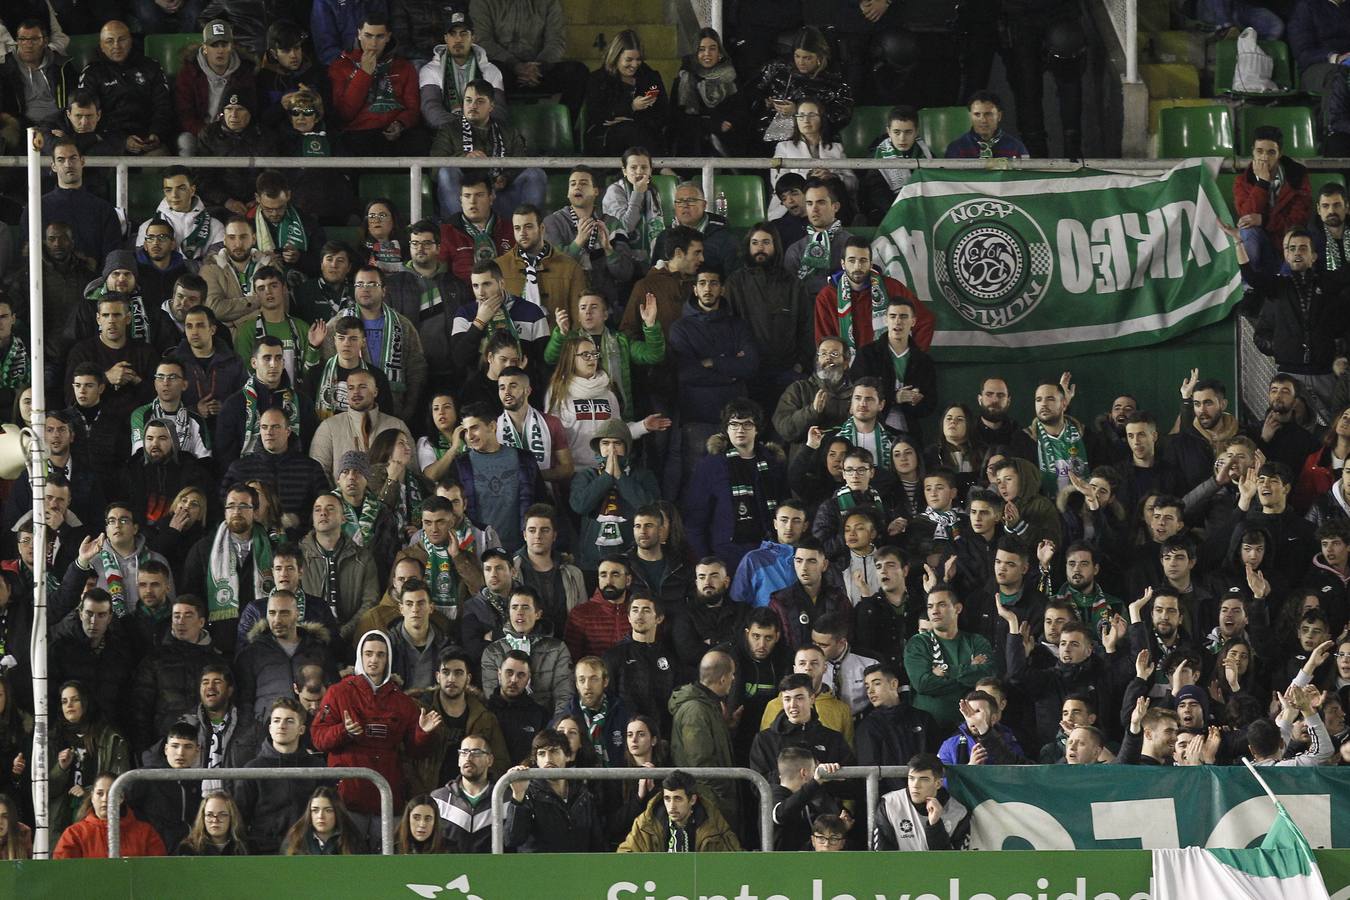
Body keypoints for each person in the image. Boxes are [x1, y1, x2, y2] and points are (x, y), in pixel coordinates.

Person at [311, 630, 442, 837]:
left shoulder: (402, 701)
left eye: (380, 654)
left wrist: (423, 733)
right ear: (360, 657)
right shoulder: (338, 692)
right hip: (347, 798)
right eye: (368, 653)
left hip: (388, 797)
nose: (374, 660)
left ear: (388, 659)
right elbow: (318, 738)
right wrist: (343, 731)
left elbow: (416, 751)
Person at [684, 399, 787, 574]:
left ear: (757, 429)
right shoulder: (711, 465)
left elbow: (784, 506)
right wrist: (707, 561)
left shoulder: (772, 462)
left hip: (769, 550)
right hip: (727, 555)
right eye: (734, 424)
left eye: (747, 424)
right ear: (726, 429)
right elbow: (695, 521)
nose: (740, 429)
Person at [322, 264, 429, 423]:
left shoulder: (402, 325)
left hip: (393, 410)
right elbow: (327, 363)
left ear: (384, 290)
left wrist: (409, 409)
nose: (365, 289)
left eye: (372, 284)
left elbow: (416, 369)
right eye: (360, 284)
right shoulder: (338, 324)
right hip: (348, 412)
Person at [432, 81, 544, 221]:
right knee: (446, 171)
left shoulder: (508, 130)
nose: (473, 106)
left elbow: (520, 162)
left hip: (498, 196)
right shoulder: (449, 129)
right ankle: (458, 229)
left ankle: (527, 230)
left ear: (491, 106)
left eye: (480, 101)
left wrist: (506, 178)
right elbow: (435, 169)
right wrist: (463, 159)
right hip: (466, 197)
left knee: (535, 174)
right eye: (468, 101)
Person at [468, 0, 588, 119]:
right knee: (481, 72)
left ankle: (562, 128)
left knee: (578, 72)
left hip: (538, 71)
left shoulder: (549, 2)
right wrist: (515, 65)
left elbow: (556, 41)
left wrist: (539, 67)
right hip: (504, 69)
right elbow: (483, 41)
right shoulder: (482, 2)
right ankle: (491, 130)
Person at [327, 13, 424, 156]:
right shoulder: (340, 66)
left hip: (395, 133)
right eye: (368, 36)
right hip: (358, 133)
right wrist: (364, 73)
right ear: (359, 34)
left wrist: (400, 123)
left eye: (380, 37)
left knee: (421, 141)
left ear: (388, 37)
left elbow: (413, 108)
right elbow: (344, 114)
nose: (373, 44)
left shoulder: (404, 67)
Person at [452, 402, 542, 555]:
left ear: (492, 426)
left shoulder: (524, 459)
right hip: (476, 550)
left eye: (475, 428)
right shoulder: (461, 465)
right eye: (466, 430)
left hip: (521, 550)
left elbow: (541, 503)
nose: (469, 436)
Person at [235, 589, 336, 722]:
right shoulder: (252, 653)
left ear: (297, 614)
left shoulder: (318, 650)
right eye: (272, 613)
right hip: (266, 733)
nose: (277, 620)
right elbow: (243, 702)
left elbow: (333, 694)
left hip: (311, 732)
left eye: (284, 613)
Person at [904, 587, 995, 731]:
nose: (934, 611)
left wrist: (946, 670)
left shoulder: (977, 642)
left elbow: (986, 674)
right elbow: (922, 684)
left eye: (942, 604)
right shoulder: (918, 643)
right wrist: (968, 670)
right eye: (930, 606)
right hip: (926, 729)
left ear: (957, 608)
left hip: (969, 728)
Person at [847, 295, 937, 441]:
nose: (898, 321)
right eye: (893, 316)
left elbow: (931, 404)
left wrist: (917, 401)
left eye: (903, 317)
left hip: (908, 434)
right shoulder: (867, 354)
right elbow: (856, 393)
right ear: (885, 320)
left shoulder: (923, 361)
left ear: (913, 321)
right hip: (870, 429)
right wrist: (894, 397)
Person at [77, 20, 174, 153]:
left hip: (147, 140)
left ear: (131, 41)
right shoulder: (92, 73)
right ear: (101, 46)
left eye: (122, 39)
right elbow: (87, 116)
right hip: (108, 142)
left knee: (160, 159)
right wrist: (121, 141)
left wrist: (156, 133)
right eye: (109, 41)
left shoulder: (151, 67)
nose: (117, 46)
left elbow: (163, 106)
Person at [18, 141, 121, 265]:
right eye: (61, 160)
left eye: (73, 158)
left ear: (82, 161)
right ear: (53, 166)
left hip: (94, 281)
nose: (68, 164)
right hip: (48, 281)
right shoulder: (35, 208)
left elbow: (112, 258)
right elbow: (27, 255)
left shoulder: (103, 209)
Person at [668, 650, 740, 828]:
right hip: (708, 805)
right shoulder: (696, 710)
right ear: (723, 679)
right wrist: (724, 792)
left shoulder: (708, 706)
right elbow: (700, 763)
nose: (734, 680)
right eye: (732, 675)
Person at [503, 729, 605, 852]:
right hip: (539, 869)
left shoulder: (583, 794)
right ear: (536, 760)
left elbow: (597, 843)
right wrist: (518, 796)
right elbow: (512, 840)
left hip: (578, 868)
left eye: (554, 751)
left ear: (568, 756)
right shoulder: (527, 793)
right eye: (541, 753)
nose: (548, 759)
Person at [748, 26, 853, 144]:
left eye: (807, 58)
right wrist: (766, 103)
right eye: (797, 56)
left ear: (820, 56)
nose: (801, 62)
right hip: (771, 138)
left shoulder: (835, 82)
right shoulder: (778, 69)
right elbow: (751, 94)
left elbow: (841, 117)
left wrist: (799, 111)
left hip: (815, 142)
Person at [1233, 126, 1312, 275]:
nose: (1264, 157)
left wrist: (1265, 220)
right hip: (1260, 247)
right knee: (1248, 231)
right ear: (1253, 152)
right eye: (1259, 151)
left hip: (1287, 245)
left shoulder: (1297, 177)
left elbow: (1298, 220)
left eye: (1271, 152)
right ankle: (1249, 288)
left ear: (1279, 154)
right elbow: (1247, 218)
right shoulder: (1243, 181)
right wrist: (1262, 183)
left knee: (1297, 239)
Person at [176, 20, 257, 156]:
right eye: (214, 45)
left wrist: (229, 131)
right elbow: (184, 113)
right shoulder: (189, 72)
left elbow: (251, 108)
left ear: (231, 46)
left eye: (224, 44)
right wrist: (206, 133)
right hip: (199, 131)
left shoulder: (244, 72)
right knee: (185, 142)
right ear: (205, 48)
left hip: (233, 131)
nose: (220, 50)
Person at [750, 673, 855, 778]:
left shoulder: (833, 739)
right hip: (783, 795)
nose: (792, 705)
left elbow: (853, 783)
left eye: (799, 698)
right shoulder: (764, 740)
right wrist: (796, 771)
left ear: (812, 699)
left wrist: (830, 775)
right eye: (787, 699)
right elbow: (757, 785)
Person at [419, 9, 505, 131]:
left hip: (483, 132)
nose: (458, 39)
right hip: (447, 132)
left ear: (473, 38)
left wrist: (480, 128)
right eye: (453, 33)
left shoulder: (490, 70)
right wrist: (462, 130)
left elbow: (498, 108)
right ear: (445, 38)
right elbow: (431, 107)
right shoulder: (431, 69)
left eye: (464, 33)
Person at [584, 30, 667, 155]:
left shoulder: (650, 77)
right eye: (628, 60)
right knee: (628, 130)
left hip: (645, 133)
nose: (634, 65)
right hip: (606, 139)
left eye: (638, 59)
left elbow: (662, 112)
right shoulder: (598, 80)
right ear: (616, 57)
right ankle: (663, 169)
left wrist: (628, 117)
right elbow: (598, 115)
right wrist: (631, 107)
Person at [617, 769, 741, 852]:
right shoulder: (646, 823)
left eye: (678, 799)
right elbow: (625, 857)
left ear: (692, 800)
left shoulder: (713, 823)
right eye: (667, 799)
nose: (671, 806)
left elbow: (733, 861)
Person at [52, 773, 166, 859]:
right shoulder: (74, 834)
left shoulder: (145, 833)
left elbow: (157, 872)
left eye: (112, 793)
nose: (105, 799)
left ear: (121, 798)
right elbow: (63, 875)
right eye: (100, 793)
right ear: (92, 797)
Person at [875, 753, 970, 850]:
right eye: (911, 778)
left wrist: (935, 825)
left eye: (924, 779)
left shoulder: (958, 812)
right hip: (901, 865)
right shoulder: (890, 804)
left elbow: (956, 862)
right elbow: (882, 858)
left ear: (938, 783)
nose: (915, 785)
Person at [860, 106, 933, 221]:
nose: (902, 138)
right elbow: (877, 195)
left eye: (908, 132)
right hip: (888, 215)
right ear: (888, 131)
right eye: (896, 132)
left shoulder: (927, 155)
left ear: (916, 131)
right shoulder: (876, 158)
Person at [784, 179, 853, 298]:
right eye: (809, 203)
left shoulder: (853, 245)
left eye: (821, 202)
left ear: (835, 207)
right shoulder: (795, 250)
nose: (814, 209)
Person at [431, 733, 497, 852]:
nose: (468, 758)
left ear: (490, 760)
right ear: (458, 760)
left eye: (476, 752)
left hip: (492, 868)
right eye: (464, 752)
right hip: (450, 869)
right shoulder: (438, 799)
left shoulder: (504, 798)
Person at [602, 147, 665, 267]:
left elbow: (657, 227)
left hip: (650, 261)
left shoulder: (652, 191)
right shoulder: (614, 191)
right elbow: (625, 227)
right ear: (624, 171)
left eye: (644, 167)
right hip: (622, 261)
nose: (639, 171)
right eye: (633, 167)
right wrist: (637, 193)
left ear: (650, 170)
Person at [487, 649, 552, 764]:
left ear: (528, 679)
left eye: (521, 675)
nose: (514, 680)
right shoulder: (484, 710)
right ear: (499, 674)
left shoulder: (539, 715)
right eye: (509, 672)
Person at [280, 786, 366, 854]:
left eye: (328, 810)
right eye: (315, 810)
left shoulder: (352, 838)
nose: (320, 816)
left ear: (337, 812)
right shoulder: (295, 837)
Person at [945, 90, 1029, 158]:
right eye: (977, 114)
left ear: (999, 116)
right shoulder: (956, 148)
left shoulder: (1016, 147)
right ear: (970, 116)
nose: (983, 120)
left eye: (988, 114)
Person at [176, 790, 248, 856]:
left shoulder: (246, 848)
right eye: (209, 815)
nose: (215, 820)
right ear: (203, 817)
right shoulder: (188, 849)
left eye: (222, 814)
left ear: (232, 817)